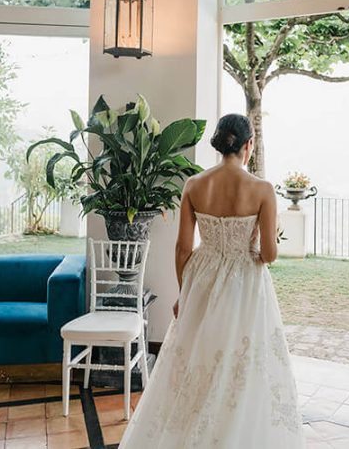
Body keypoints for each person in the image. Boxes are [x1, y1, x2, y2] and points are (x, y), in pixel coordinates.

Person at [119, 113, 305, 449]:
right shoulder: (262, 189)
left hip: (202, 277)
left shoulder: (194, 185)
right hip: (245, 283)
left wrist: (184, 293)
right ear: (248, 145)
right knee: (240, 361)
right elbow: (269, 253)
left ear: (220, 144)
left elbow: (182, 248)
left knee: (197, 358)